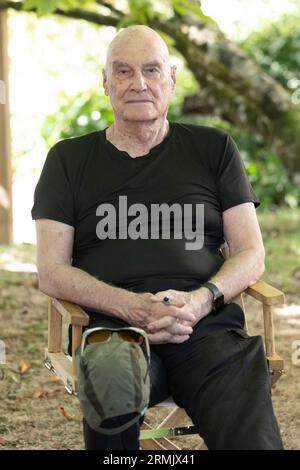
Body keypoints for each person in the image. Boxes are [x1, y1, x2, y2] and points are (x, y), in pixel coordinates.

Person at [31, 25, 283, 450]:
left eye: (151, 70)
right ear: (106, 82)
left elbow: (251, 253)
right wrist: (132, 307)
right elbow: (51, 270)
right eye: (124, 72)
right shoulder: (68, 160)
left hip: (207, 331)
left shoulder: (213, 149)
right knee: (112, 375)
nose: (139, 83)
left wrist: (200, 301)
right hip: (115, 332)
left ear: (172, 77)